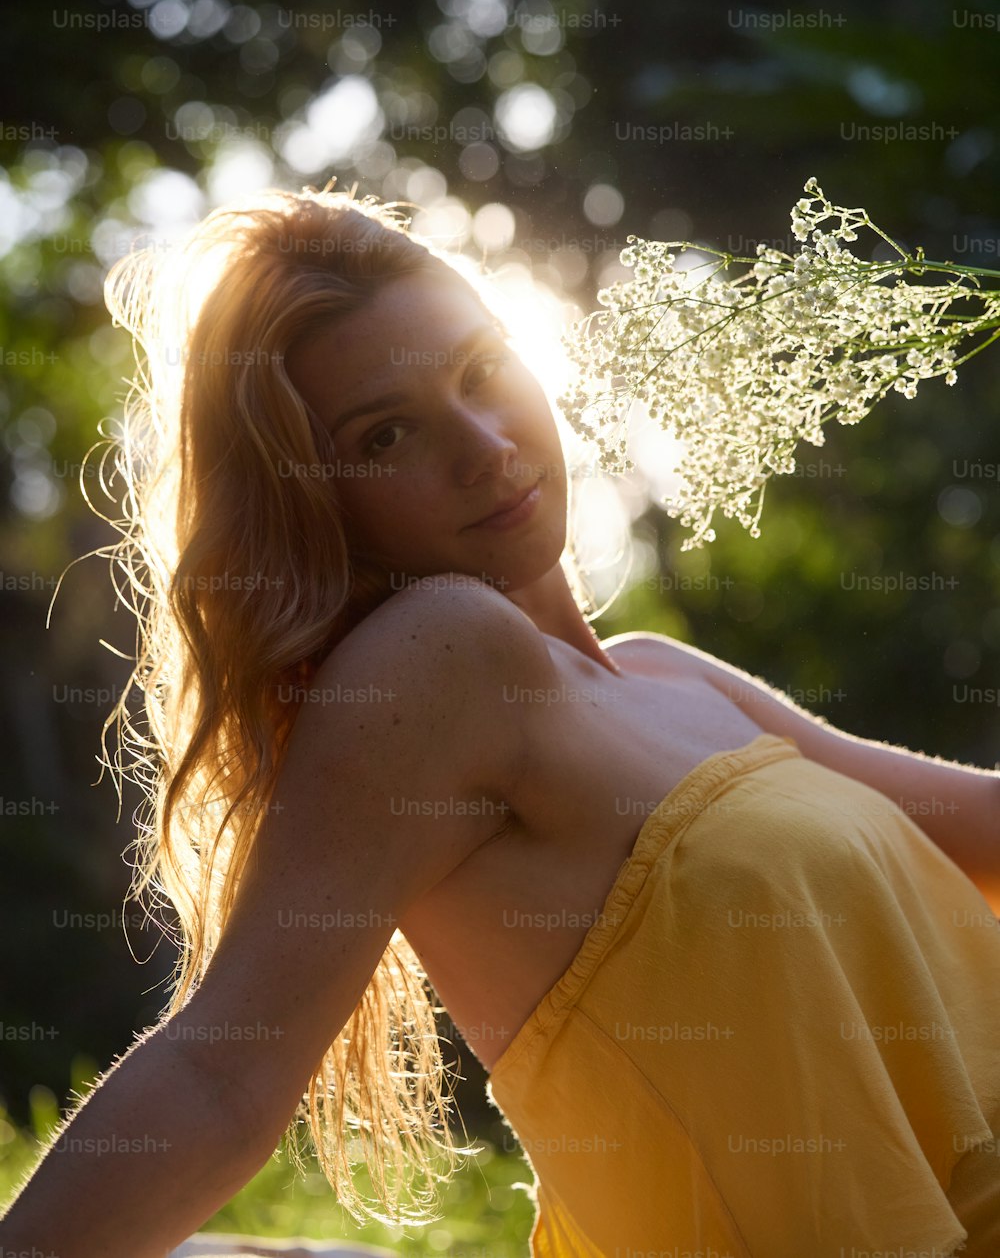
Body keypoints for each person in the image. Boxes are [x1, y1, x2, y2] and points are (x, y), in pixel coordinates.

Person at [2, 185, 999, 1258]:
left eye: (483, 368)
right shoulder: (443, 656)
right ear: (318, 499)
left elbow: (979, 830)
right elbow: (222, 1063)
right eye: (386, 432)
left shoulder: (666, 675)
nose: (483, 445)